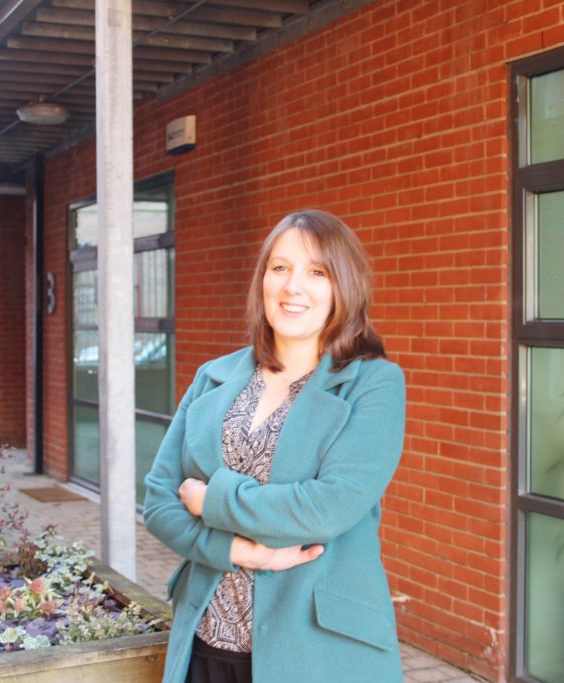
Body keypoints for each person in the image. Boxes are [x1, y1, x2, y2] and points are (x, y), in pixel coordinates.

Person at [143, 209, 406, 683]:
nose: (292, 287)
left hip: (318, 652)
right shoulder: (214, 376)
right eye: (280, 267)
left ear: (343, 286)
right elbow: (160, 502)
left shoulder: (374, 384)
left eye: (317, 272)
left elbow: (326, 508)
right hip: (206, 640)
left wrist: (212, 500)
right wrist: (238, 551)